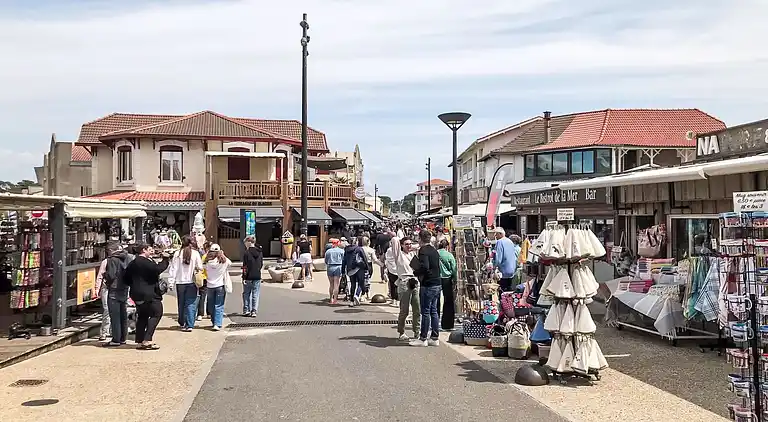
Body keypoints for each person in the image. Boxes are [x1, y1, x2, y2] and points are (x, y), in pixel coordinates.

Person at [124, 243, 169, 350]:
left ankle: (139, 340)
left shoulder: (133, 263)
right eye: (150, 249)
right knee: (157, 313)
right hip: (149, 294)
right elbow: (157, 269)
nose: (152, 251)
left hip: (136, 294)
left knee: (142, 316)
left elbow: (125, 278)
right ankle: (147, 340)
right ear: (144, 250)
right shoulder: (145, 262)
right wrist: (166, 260)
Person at [411, 229, 442, 347]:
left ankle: (423, 338)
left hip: (428, 284)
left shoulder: (423, 250)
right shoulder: (434, 250)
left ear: (420, 238)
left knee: (425, 311)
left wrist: (416, 272)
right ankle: (434, 337)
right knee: (434, 310)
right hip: (437, 283)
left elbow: (425, 267)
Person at [168, 235, 203, 331]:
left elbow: (173, 269)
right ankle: (190, 324)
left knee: (181, 303)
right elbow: (200, 267)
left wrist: (171, 282)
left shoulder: (177, 254)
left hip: (180, 282)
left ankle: (182, 322)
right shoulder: (195, 253)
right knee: (191, 303)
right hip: (192, 282)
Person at [102, 242, 133, 346]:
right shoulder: (128, 257)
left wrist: (105, 276)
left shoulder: (112, 259)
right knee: (123, 314)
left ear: (111, 250)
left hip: (114, 288)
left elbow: (111, 275)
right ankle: (123, 337)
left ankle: (116, 339)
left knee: (114, 315)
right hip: (124, 287)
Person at [394, 236, 420, 341]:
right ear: (402, 245)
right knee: (404, 310)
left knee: (417, 308)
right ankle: (401, 331)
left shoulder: (413, 254)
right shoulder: (399, 255)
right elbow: (395, 240)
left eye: (410, 244)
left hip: (414, 281)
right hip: (404, 281)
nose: (409, 246)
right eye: (407, 244)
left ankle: (417, 331)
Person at [205, 244, 231, 330]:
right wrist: (222, 255)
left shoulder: (207, 262)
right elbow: (230, 263)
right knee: (219, 305)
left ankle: (213, 321)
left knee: (211, 305)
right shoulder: (224, 262)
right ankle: (217, 323)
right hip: (220, 285)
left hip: (209, 286)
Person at [437, 239, 457, 330]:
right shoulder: (449, 255)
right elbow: (454, 269)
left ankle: (434, 322)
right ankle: (447, 324)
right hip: (447, 279)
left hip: (436, 278)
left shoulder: (435, 253)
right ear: (447, 246)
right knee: (448, 301)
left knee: (435, 301)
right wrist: (455, 279)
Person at [341, 237, 368, 307]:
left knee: (353, 284)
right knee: (361, 283)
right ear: (356, 242)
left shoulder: (346, 249)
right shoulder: (359, 249)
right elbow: (364, 258)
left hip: (350, 269)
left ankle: (352, 301)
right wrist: (367, 268)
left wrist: (343, 271)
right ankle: (358, 294)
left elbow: (344, 261)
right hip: (359, 268)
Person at [241, 236, 264, 317]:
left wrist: (243, 277)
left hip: (248, 276)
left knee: (246, 293)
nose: (245, 245)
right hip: (257, 275)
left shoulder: (246, 253)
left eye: (245, 243)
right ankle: (254, 310)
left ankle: (246, 310)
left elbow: (245, 266)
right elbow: (261, 264)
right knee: (255, 293)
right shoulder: (260, 252)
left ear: (249, 242)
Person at [493, 227, 518, 292]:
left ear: (500, 234)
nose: (495, 236)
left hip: (503, 271)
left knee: (502, 290)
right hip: (512, 270)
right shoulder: (510, 241)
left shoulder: (499, 242)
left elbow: (498, 258)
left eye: (496, 234)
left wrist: (494, 267)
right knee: (508, 290)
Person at [324, 239, 344, 304]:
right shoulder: (341, 251)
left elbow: (326, 261)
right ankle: (335, 299)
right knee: (336, 284)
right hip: (338, 267)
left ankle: (330, 298)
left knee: (331, 284)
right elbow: (344, 260)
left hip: (330, 267)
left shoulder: (328, 251)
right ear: (338, 243)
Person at [360, 236, 378, 302]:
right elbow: (375, 260)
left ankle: (363, 294)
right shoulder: (371, 250)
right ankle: (367, 293)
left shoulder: (359, 249)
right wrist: (382, 264)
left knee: (362, 280)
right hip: (369, 265)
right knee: (368, 280)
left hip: (361, 266)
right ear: (368, 242)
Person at [383, 234, 400, 305]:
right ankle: (397, 300)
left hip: (391, 269)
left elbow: (386, 259)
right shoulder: (400, 250)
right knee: (397, 285)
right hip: (398, 270)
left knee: (392, 285)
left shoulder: (389, 250)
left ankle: (393, 299)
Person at [197, 242, 210, 321]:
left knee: (202, 296)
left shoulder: (204, 256)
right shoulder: (215, 257)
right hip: (211, 279)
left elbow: (201, 267)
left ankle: (200, 314)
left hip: (204, 277)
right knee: (210, 297)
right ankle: (209, 313)